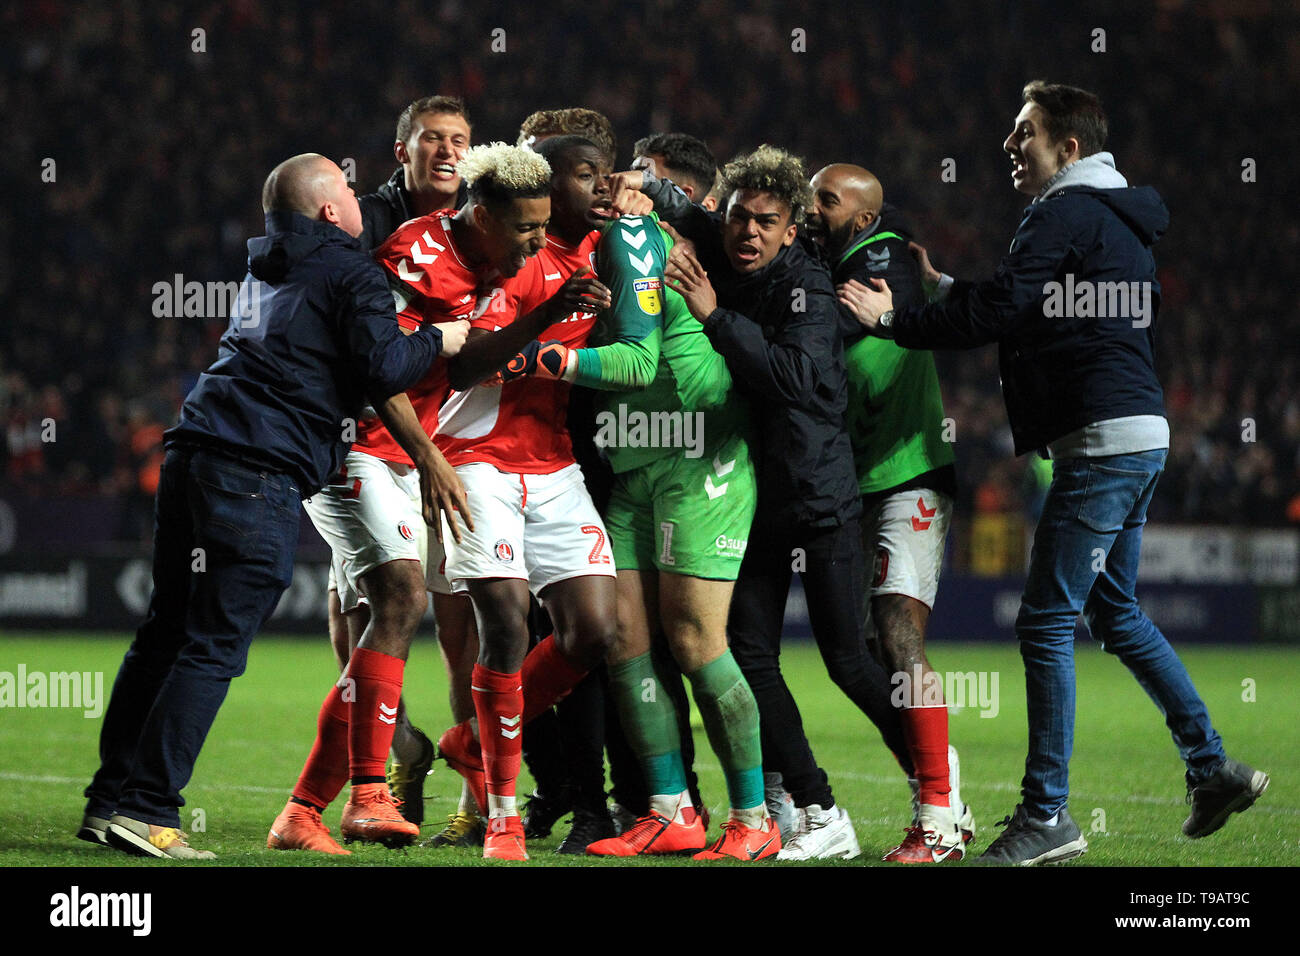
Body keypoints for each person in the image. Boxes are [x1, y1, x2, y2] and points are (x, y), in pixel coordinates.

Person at [838, 80, 1270, 865]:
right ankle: (1211, 766)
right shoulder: (1117, 219)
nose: (1010, 147)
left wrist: (897, 318)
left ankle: (1048, 816)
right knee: (1115, 613)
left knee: (1044, 621)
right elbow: (1036, 308)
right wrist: (945, 290)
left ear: (1068, 147)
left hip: (1101, 444)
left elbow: (1003, 310)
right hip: (1137, 433)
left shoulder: (1063, 210)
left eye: (1024, 133)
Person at [78, 154, 455, 859]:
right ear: (328, 213)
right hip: (258, 470)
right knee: (212, 645)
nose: (355, 195)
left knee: (165, 633)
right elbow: (387, 369)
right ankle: (149, 809)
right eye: (345, 190)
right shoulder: (352, 272)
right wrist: (441, 337)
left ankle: (110, 801)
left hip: (192, 449)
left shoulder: (268, 267)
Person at [806, 163, 974, 862]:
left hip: (909, 471)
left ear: (864, 215)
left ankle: (937, 821)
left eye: (827, 199)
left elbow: (838, 330)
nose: (812, 208)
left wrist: (802, 325)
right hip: (861, 479)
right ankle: (944, 803)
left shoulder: (882, 251)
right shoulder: (825, 262)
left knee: (899, 635)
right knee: (873, 653)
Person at [358, 94, 472, 251]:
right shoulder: (365, 218)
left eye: (458, 141)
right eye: (432, 138)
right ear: (401, 152)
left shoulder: (485, 218)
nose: (447, 150)